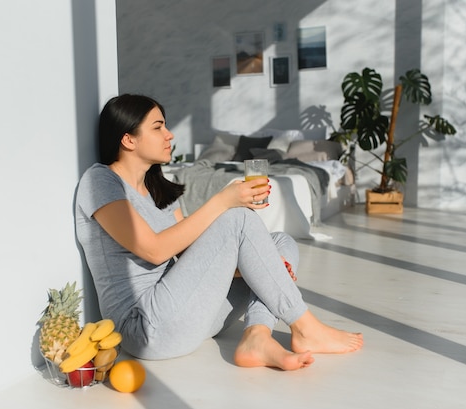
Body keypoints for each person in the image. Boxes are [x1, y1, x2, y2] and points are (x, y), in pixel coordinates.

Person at [74, 94, 363, 371]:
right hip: (147, 327)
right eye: (158, 126)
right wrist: (223, 200)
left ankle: (257, 336)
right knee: (237, 217)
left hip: (190, 313)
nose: (170, 135)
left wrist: (258, 266)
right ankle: (305, 326)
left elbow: (187, 254)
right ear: (128, 139)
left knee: (279, 242)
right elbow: (154, 250)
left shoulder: (160, 188)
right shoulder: (101, 180)